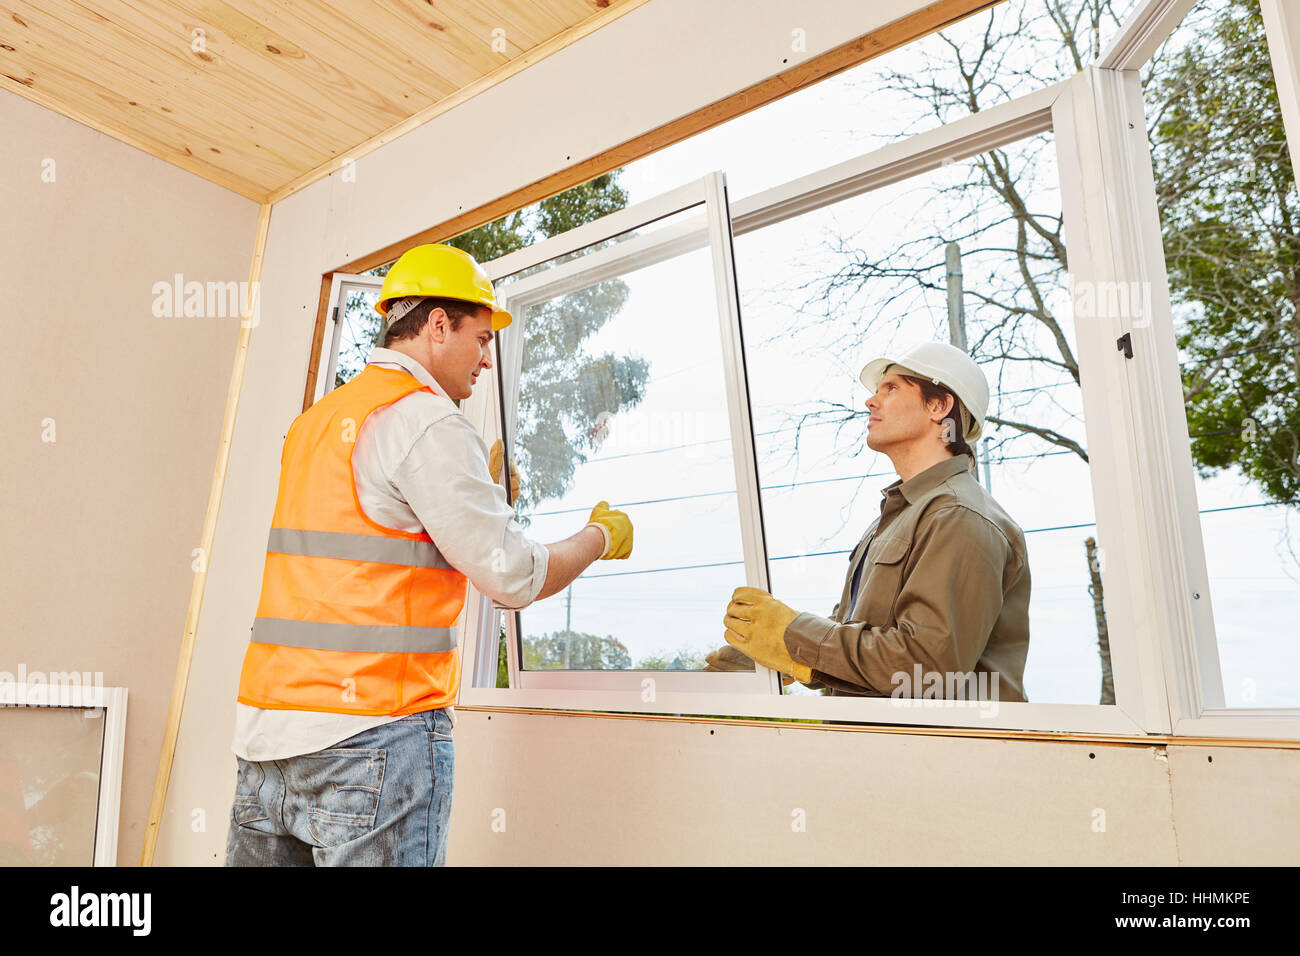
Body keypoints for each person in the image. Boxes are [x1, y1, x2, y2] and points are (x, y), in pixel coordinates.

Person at [225, 243, 632, 866]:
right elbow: (513, 577)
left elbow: (367, 554)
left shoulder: (316, 423)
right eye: (481, 336)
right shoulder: (426, 422)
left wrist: (479, 497)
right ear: (438, 325)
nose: (487, 359)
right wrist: (598, 538)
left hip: (266, 741)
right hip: (371, 738)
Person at [708, 341, 1029, 703]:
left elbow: (924, 669)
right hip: (881, 749)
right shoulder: (895, 520)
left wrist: (792, 635)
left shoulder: (960, 516)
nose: (870, 401)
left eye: (891, 388)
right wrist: (775, 654)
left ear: (938, 406)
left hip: (941, 754)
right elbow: (864, 655)